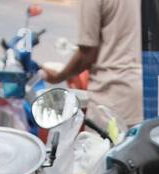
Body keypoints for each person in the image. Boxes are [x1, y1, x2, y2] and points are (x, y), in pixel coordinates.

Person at [43, 0, 143, 130]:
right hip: (142, 92)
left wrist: (58, 77)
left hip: (111, 96)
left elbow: (87, 54)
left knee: (102, 149)